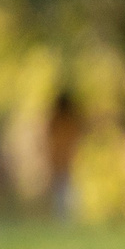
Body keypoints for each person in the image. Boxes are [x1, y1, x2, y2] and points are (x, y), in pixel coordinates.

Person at [45, 91, 83, 220]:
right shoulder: (69, 121)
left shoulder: (56, 120)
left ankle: (64, 219)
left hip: (60, 160)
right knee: (67, 191)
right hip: (66, 161)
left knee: (62, 192)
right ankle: (67, 219)